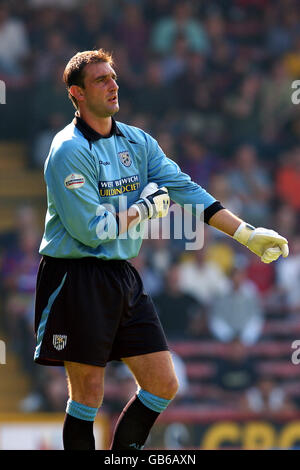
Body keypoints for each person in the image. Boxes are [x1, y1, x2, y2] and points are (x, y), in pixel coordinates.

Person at [33, 48, 289, 451]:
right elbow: (91, 229)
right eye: (101, 80)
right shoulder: (67, 150)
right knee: (87, 395)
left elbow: (186, 189)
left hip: (122, 274)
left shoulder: (138, 141)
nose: (113, 85)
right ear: (77, 94)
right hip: (75, 276)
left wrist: (245, 233)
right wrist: (143, 209)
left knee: (163, 383)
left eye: (113, 77)